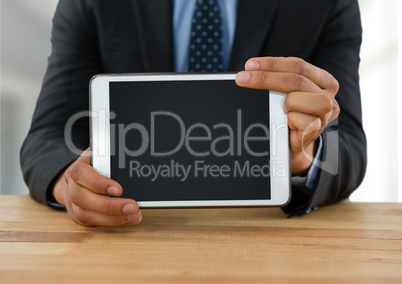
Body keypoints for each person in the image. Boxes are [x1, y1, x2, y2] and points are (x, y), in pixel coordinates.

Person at [20, 0, 366, 226]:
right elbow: (47, 136)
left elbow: (346, 141)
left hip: (260, 235)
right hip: (134, 231)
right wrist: (71, 184)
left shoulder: (328, 5)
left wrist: (306, 155)